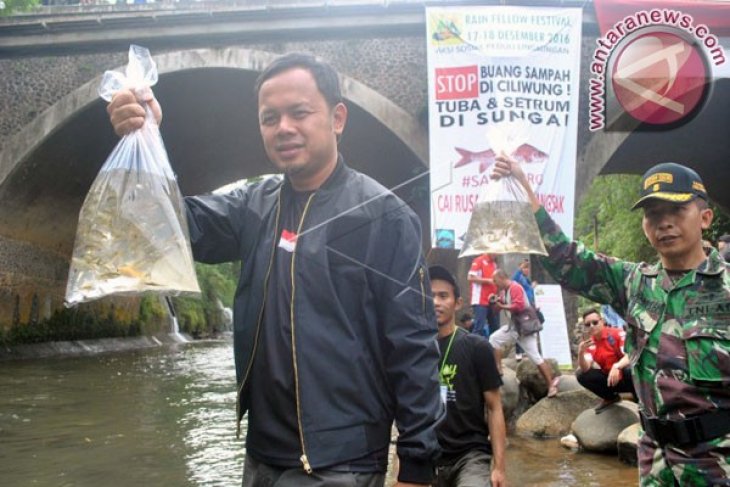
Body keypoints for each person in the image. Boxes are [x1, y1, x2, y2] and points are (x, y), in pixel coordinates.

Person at [108, 53, 445, 487]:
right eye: (270, 118)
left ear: (337, 118)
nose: (283, 127)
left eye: (299, 113)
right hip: (262, 456)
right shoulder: (253, 205)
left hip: (341, 462)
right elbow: (172, 225)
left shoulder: (386, 216)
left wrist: (417, 465)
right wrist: (146, 140)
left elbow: (413, 344)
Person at [494, 156, 730, 486]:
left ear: (705, 217)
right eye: (653, 214)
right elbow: (565, 258)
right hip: (655, 463)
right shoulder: (633, 283)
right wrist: (523, 184)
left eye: (676, 211)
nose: (664, 223)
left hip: (717, 462)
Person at [429, 265, 506, 487]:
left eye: (443, 296)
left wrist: (499, 468)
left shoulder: (477, 347)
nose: (436, 302)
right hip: (427, 456)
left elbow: (494, 407)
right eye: (430, 296)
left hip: (469, 456)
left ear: (458, 303)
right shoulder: (415, 350)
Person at [489, 269, 560, 398]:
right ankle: (498, 369)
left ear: (501, 277)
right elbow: (496, 310)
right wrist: (495, 302)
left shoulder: (515, 287)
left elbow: (518, 306)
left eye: (495, 280)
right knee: (494, 339)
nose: (494, 283)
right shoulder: (503, 291)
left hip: (525, 328)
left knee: (535, 357)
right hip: (513, 327)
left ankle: (551, 385)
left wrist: (502, 305)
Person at [576, 308, 636, 414]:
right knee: (581, 374)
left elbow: (630, 355)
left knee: (629, 369)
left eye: (595, 322)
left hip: (628, 378)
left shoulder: (616, 333)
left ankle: (640, 400)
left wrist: (617, 366)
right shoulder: (589, 343)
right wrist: (581, 353)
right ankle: (610, 397)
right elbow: (586, 368)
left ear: (602, 321)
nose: (592, 326)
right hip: (611, 380)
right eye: (588, 324)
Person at [467, 253, 500, 337]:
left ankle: (491, 349)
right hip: (480, 300)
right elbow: (470, 277)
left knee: (495, 328)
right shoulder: (479, 260)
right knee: (479, 328)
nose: (496, 254)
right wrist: (487, 281)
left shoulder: (494, 264)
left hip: (492, 299)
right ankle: (474, 349)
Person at [510, 259, 534, 361]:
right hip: (520, 308)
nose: (527, 270)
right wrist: (520, 267)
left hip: (528, 307)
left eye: (528, 268)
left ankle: (525, 351)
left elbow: (530, 293)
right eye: (525, 267)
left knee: (528, 329)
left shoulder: (527, 280)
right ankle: (518, 352)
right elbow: (514, 278)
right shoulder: (518, 277)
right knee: (518, 329)